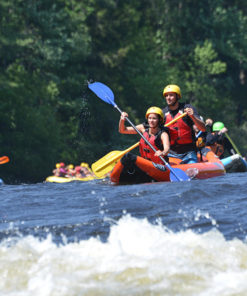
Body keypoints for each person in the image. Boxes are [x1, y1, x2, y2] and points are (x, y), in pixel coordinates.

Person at [162, 84, 206, 164]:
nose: (168, 98)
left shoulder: (187, 108)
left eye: (171, 95)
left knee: (192, 168)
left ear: (177, 96)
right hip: (171, 154)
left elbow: (203, 128)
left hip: (188, 153)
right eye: (166, 96)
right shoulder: (163, 113)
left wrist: (192, 116)